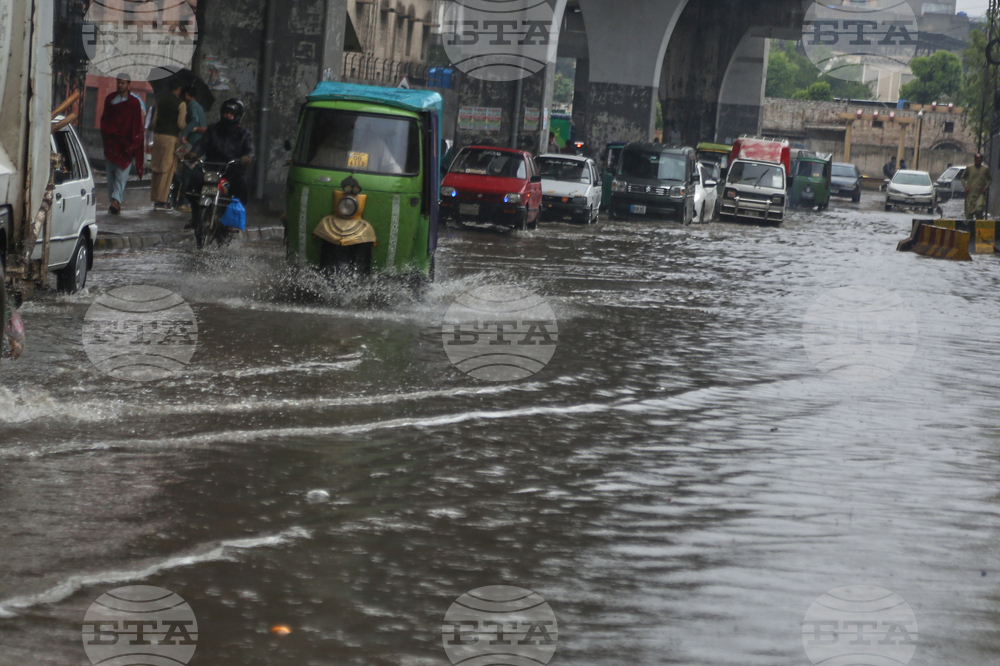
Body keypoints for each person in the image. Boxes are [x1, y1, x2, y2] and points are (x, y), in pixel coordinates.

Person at [184, 98, 254, 234]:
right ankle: (195, 217)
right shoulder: (213, 129)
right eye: (226, 112)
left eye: (231, 113)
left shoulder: (244, 134)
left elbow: (250, 150)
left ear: (238, 115)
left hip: (232, 169)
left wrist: (247, 158)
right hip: (211, 167)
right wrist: (193, 153)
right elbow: (201, 144)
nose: (228, 115)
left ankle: (232, 220)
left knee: (241, 185)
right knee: (194, 183)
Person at [100, 73, 145, 215]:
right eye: (118, 82)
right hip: (111, 143)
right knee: (110, 175)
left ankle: (116, 201)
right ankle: (114, 201)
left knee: (121, 174)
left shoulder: (134, 103)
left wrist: (133, 143)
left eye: (123, 83)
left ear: (128, 84)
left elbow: (137, 124)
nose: (120, 85)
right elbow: (105, 120)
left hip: (126, 145)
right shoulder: (110, 100)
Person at [149, 78, 187, 210]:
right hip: (170, 138)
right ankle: (162, 200)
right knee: (167, 168)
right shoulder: (181, 104)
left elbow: (153, 123)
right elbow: (181, 124)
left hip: (157, 136)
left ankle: (154, 197)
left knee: (156, 167)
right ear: (179, 89)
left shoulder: (160, 102)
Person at [176, 85, 206, 213]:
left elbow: (194, 121)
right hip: (199, 143)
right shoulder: (199, 107)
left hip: (193, 143)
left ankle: (187, 202)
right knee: (197, 173)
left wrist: (186, 133)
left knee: (188, 173)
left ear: (186, 94)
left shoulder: (192, 107)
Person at [962, 152, 992, 220]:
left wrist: (986, 188)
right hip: (970, 194)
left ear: (981, 160)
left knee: (979, 209)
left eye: (979, 160)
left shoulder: (985, 169)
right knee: (969, 214)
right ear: (974, 160)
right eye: (976, 160)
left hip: (980, 194)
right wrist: (966, 186)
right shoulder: (969, 168)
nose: (977, 162)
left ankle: (979, 226)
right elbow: (962, 177)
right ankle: (970, 229)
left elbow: (990, 179)